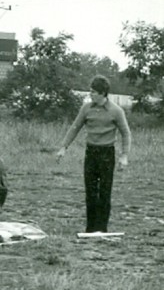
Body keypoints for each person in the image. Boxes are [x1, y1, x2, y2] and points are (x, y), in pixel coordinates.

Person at [56, 75, 131, 233]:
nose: (91, 95)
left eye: (94, 92)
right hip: (91, 152)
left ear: (103, 93)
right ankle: (90, 229)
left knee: (104, 191)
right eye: (90, 91)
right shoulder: (86, 108)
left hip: (107, 153)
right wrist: (64, 147)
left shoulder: (116, 111)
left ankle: (102, 228)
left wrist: (124, 156)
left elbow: (126, 133)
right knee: (90, 191)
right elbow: (75, 128)